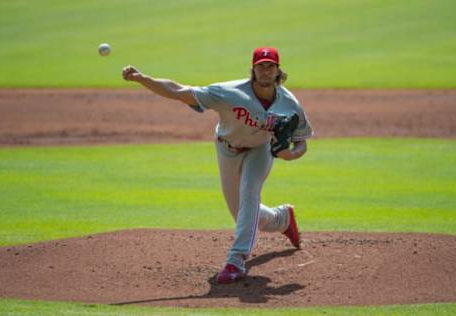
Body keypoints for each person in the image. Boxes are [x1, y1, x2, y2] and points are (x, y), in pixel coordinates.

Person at [122, 47, 313, 284]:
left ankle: (235, 260)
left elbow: (301, 141)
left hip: (260, 151)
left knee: (250, 192)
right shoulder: (229, 93)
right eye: (261, 66)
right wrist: (143, 79)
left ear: (278, 71)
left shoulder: (289, 103)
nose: (265, 71)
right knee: (240, 211)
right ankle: (281, 218)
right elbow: (181, 91)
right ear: (253, 69)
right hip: (227, 148)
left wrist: (291, 155)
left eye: (270, 66)